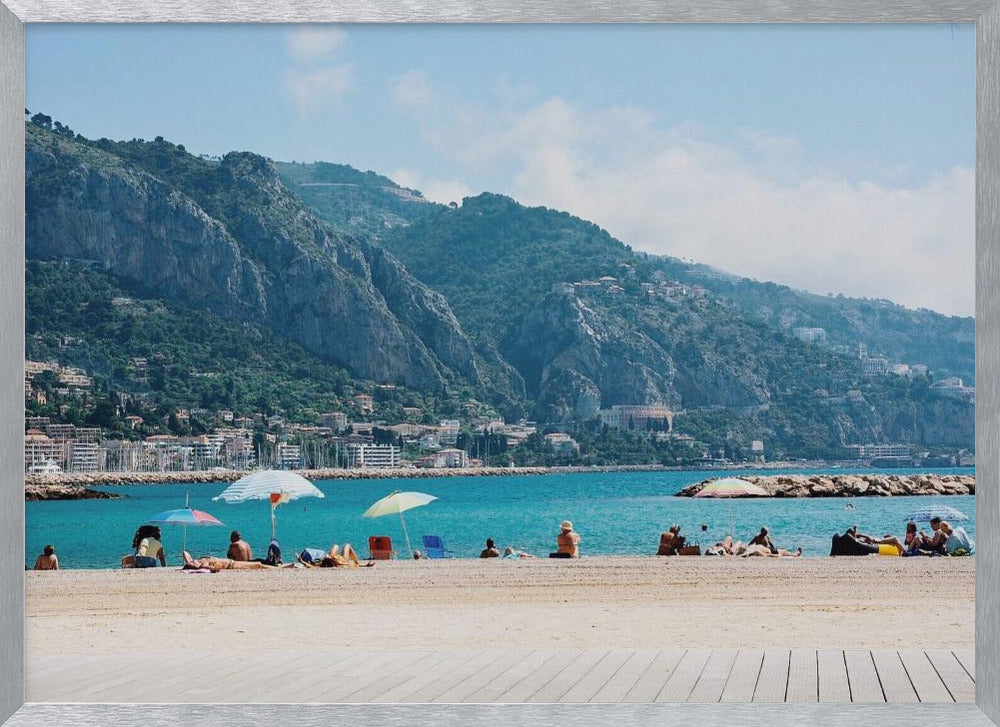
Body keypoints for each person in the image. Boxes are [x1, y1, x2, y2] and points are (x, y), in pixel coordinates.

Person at [182, 550, 286, 572]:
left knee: (258, 564)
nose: (193, 560)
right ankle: (282, 568)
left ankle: (282, 567)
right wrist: (201, 567)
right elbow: (216, 570)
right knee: (258, 565)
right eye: (192, 562)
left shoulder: (199, 561)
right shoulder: (203, 564)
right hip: (232, 565)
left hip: (232, 562)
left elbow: (184, 552)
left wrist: (191, 562)